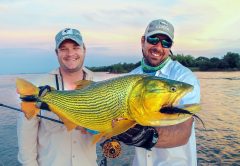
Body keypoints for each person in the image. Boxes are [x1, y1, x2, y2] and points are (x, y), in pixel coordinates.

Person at [115, 19, 200, 166]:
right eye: (154, 39)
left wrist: (143, 136)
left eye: (166, 43)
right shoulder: (130, 78)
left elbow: (183, 133)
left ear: (170, 47)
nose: (159, 47)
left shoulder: (184, 78)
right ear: (143, 41)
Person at [17, 28, 97, 166]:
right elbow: (26, 137)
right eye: (63, 49)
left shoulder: (97, 86)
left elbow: (105, 132)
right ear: (56, 53)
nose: (70, 53)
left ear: (84, 49)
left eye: (75, 47)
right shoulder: (37, 87)